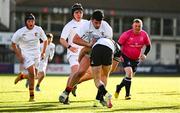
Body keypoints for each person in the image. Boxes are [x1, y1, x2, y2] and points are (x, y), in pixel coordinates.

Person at [59, 10, 118, 108]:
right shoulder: (85, 26)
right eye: (96, 22)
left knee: (103, 75)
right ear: (91, 20)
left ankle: (100, 98)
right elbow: (75, 39)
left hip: (100, 50)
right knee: (80, 72)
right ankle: (66, 92)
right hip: (88, 50)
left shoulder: (107, 27)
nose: (98, 25)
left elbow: (109, 44)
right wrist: (88, 44)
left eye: (100, 22)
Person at [11, 13, 48, 102]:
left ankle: (22, 76)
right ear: (26, 22)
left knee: (35, 76)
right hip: (26, 54)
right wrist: (19, 55)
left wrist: (43, 52)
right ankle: (32, 96)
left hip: (37, 54)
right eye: (29, 21)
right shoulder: (20, 32)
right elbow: (13, 44)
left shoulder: (38, 29)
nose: (31, 23)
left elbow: (45, 40)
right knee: (32, 73)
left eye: (32, 21)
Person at [59, 3, 92, 98]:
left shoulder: (87, 23)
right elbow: (62, 39)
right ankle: (66, 96)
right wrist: (69, 47)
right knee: (75, 72)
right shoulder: (69, 25)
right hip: (73, 54)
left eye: (80, 12)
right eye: (76, 12)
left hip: (85, 54)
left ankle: (75, 83)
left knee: (92, 74)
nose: (79, 14)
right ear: (73, 14)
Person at [114, 18, 151, 100]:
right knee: (129, 72)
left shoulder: (144, 34)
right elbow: (118, 45)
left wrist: (145, 54)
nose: (137, 27)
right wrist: (119, 55)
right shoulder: (126, 34)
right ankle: (127, 94)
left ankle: (119, 87)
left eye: (139, 26)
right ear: (132, 26)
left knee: (129, 76)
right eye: (136, 26)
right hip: (125, 56)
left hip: (136, 59)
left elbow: (148, 46)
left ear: (142, 26)